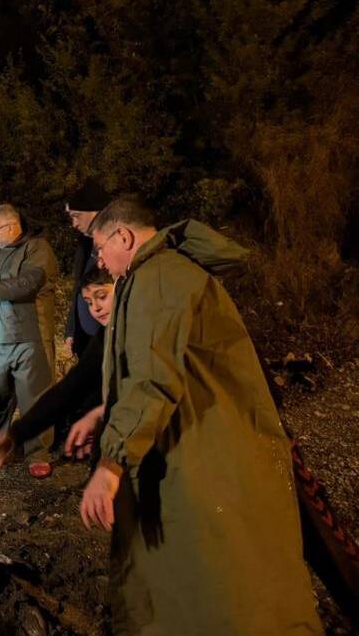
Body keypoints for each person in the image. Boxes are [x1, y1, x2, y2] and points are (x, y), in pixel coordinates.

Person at [80, 195, 321, 635]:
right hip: (208, 441)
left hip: (203, 455)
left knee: (217, 586)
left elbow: (153, 376)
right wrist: (105, 413)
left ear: (124, 235)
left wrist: (111, 463)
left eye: (100, 247)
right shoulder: (170, 273)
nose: (99, 258)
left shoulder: (156, 278)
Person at [0, 268, 115, 477]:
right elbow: (72, 387)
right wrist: (16, 434)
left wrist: (100, 413)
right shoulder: (106, 334)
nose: (96, 308)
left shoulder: (142, 329)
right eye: (88, 302)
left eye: (102, 296)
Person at [0, 204, 56, 460]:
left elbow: (29, 282)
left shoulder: (37, 248)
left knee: (34, 396)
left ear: (12, 226)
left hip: (31, 336)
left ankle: (38, 454)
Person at [64, 178, 111, 357]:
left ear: (97, 212)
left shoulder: (116, 248)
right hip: (86, 340)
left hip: (108, 339)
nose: (74, 224)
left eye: (77, 216)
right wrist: (72, 330)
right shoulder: (84, 245)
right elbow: (79, 288)